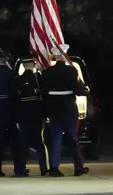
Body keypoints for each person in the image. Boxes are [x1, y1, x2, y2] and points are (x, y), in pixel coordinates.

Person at [40, 43, 89, 177]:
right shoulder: (71, 71)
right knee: (72, 138)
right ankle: (78, 167)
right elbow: (77, 89)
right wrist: (84, 90)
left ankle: (54, 168)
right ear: (63, 55)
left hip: (54, 109)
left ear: (55, 56)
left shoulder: (46, 72)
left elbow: (43, 92)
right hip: (68, 107)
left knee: (55, 138)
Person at [12, 58, 49, 177]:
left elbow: (15, 100)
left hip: (23, 115)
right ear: (34, 65)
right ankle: (44, 168)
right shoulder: (38, 78)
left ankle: (20, 170)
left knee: (23, 143)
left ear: (23, 65)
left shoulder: (17, 80)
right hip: (37, 114)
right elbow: (44, 96)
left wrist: (17, 118)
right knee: (39, 142)